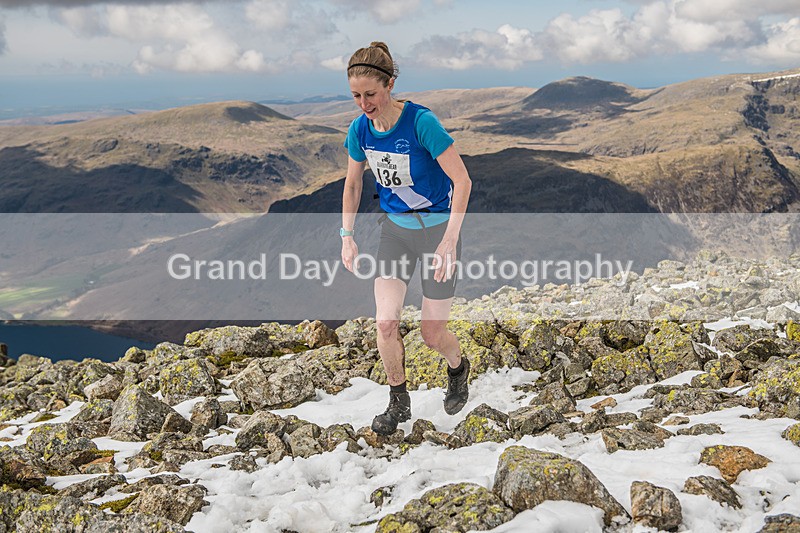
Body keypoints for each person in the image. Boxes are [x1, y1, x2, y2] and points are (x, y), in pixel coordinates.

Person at [340, 41, 473, 436]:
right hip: (396, 232)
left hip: (437, 234)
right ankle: (398, 401)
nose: (364, 103)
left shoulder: (420, 123)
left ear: (390, 84)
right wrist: (347, 235)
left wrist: (450, 239)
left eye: (371, 94)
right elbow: (351, 185)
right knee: (385, 323)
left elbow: (462, 181)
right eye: (356, 96)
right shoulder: (360, 129)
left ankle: (458, 367)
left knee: (432, 334)